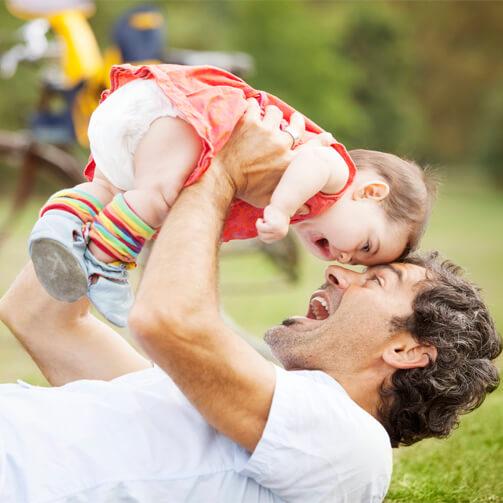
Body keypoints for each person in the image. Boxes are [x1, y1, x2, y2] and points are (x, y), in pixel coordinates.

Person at [0, 104, 499, 503]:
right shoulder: (206, 399)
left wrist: (220, 165)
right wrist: (133, 181)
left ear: (409, 351)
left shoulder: (354, 449)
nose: (336, 270)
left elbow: (165, 320)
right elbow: (38, 318)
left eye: (377, 280)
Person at [28, 64, 435, 326]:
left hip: (134, 119)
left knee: (108, 190)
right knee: (155, 197)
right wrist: (280, 207)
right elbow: (310, 165)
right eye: (366, 244)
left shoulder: (322, 196)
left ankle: (58, 226)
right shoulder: (337, 172)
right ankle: (106, 263)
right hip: (180, 114)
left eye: (360, 261)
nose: (346, 258)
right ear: (371, 192)